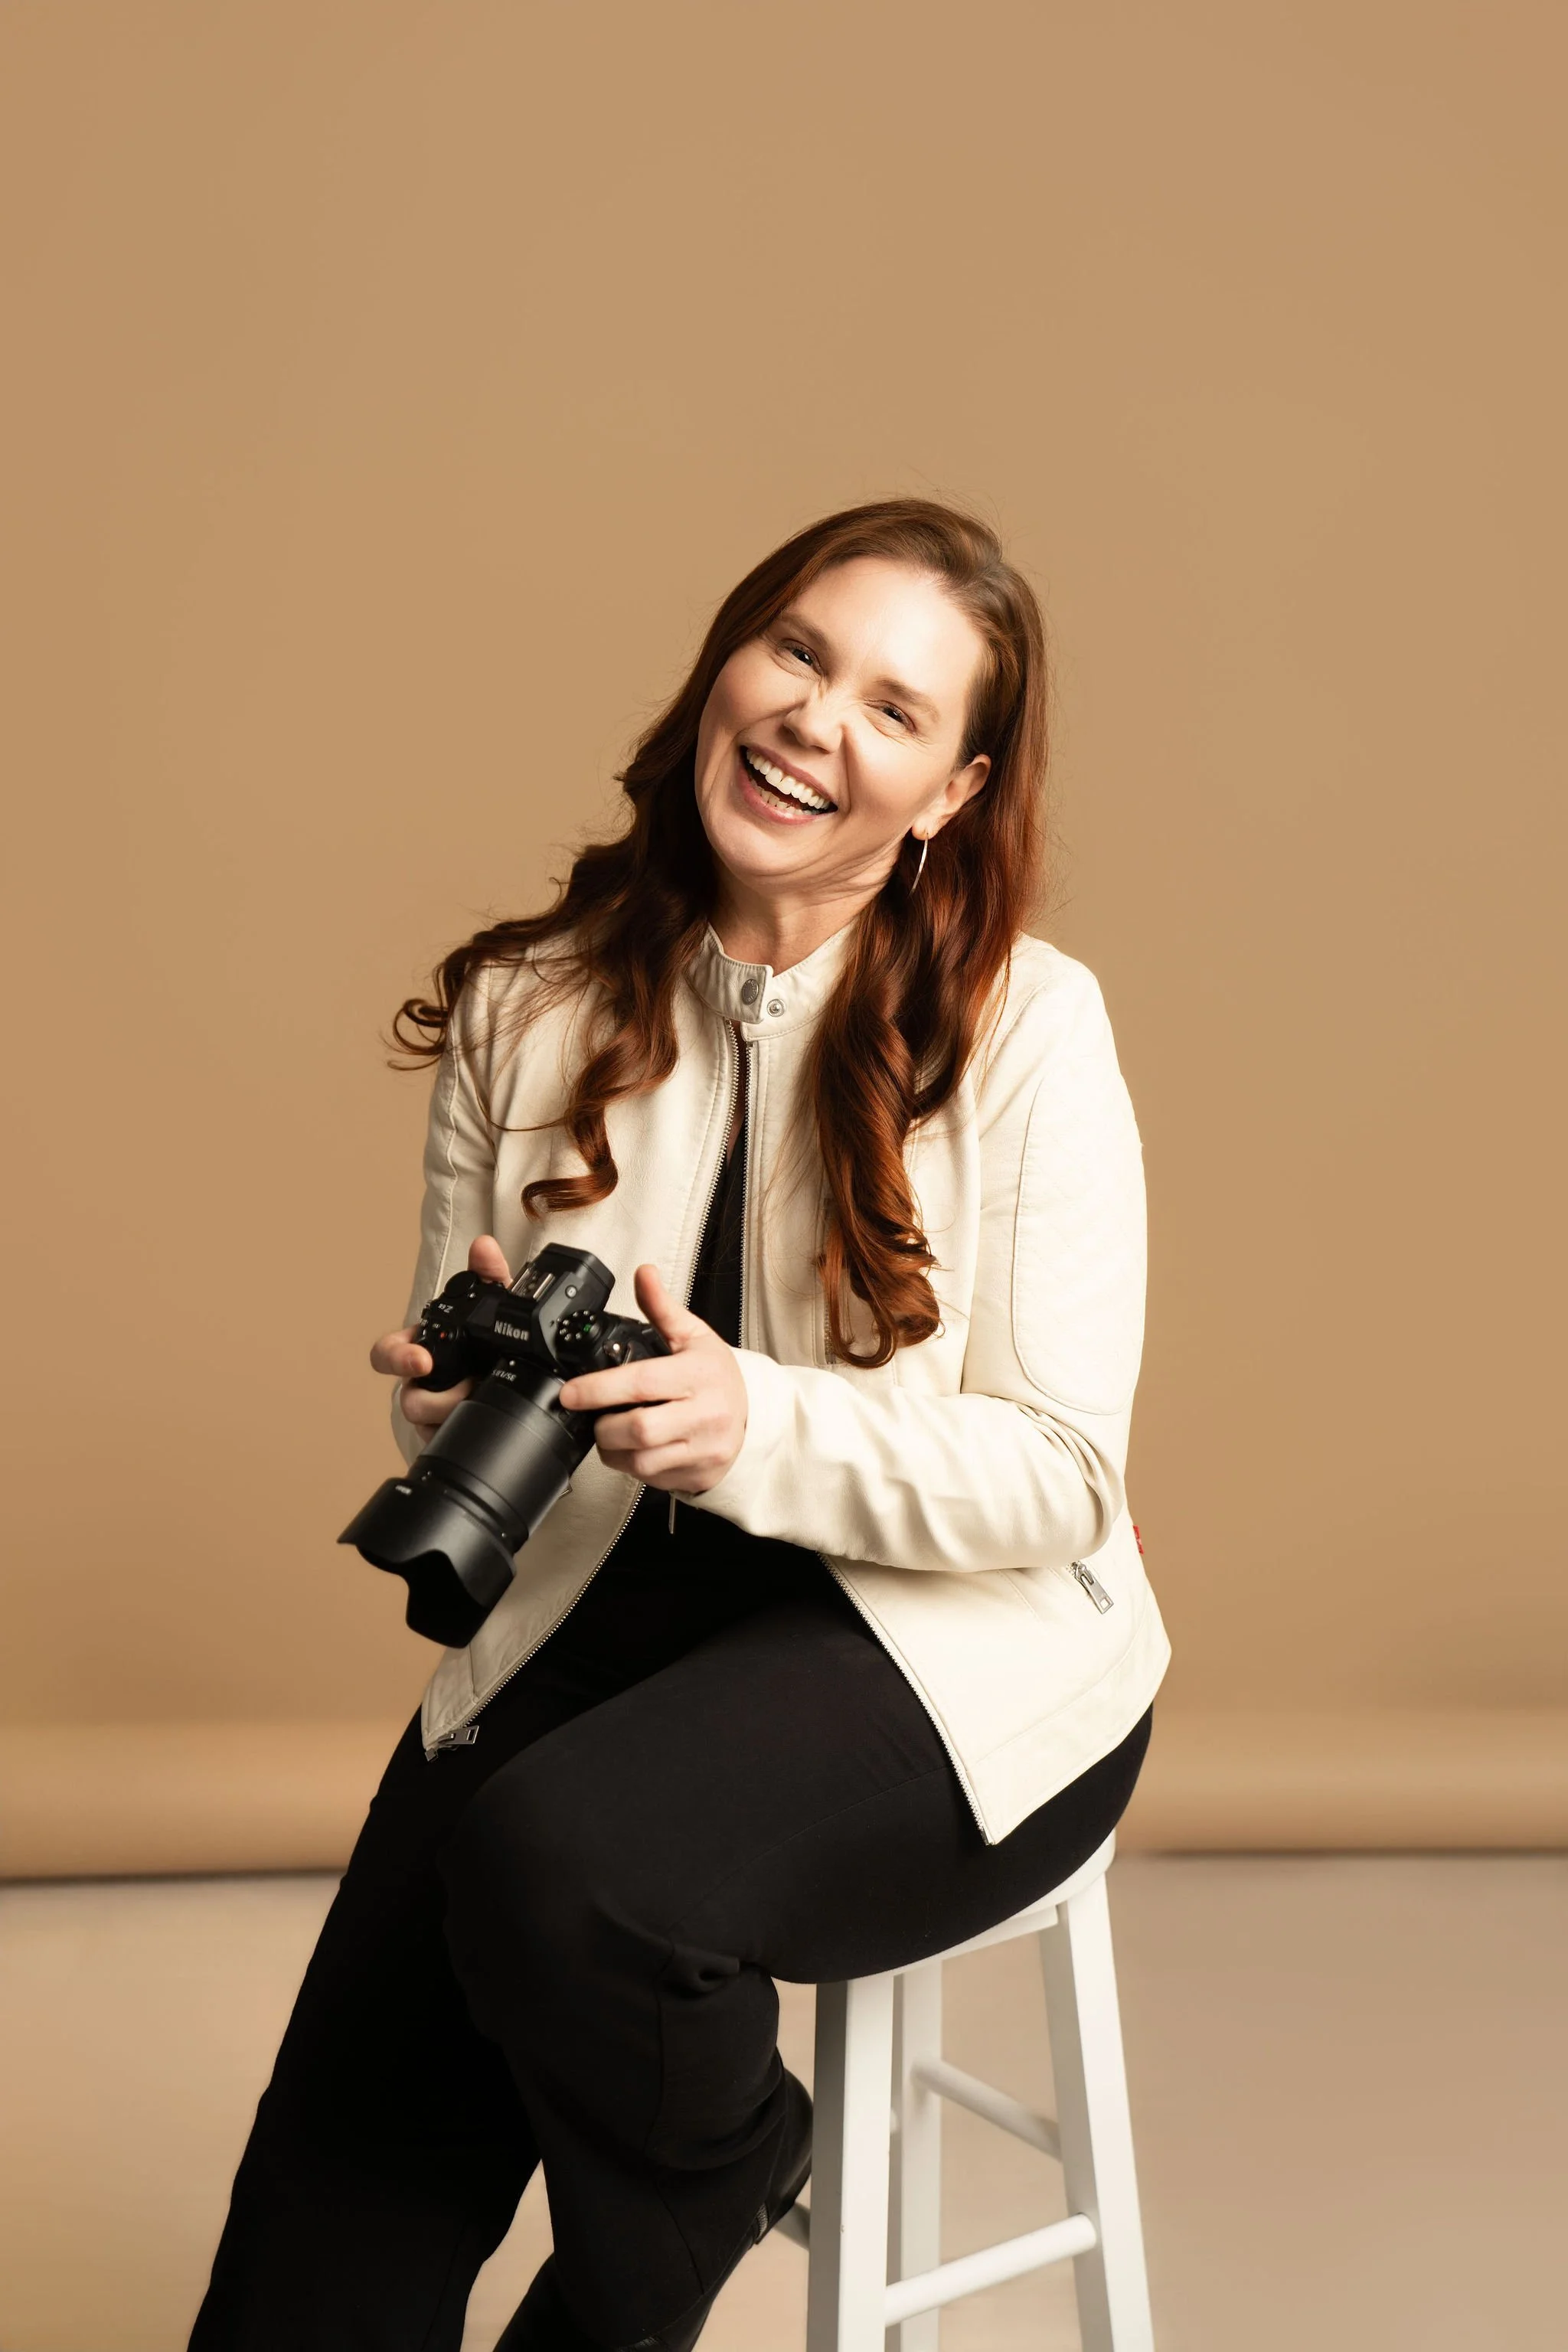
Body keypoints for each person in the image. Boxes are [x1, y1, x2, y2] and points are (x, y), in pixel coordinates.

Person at [190, 498, 1170, 2351]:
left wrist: (752, 1427)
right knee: (301, 2282)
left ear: (948, 795)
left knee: (558, 1861)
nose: (817, 720)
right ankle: (699, 2146)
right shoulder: (527, 1004)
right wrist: (453, 1402)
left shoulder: (1030, 1030)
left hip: (940, 1644)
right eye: (797, 653)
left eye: (893, 708)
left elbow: (1060, 1478)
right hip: (595, 1611)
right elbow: (455, 1457)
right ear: (727, 666)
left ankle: (714, 2166)